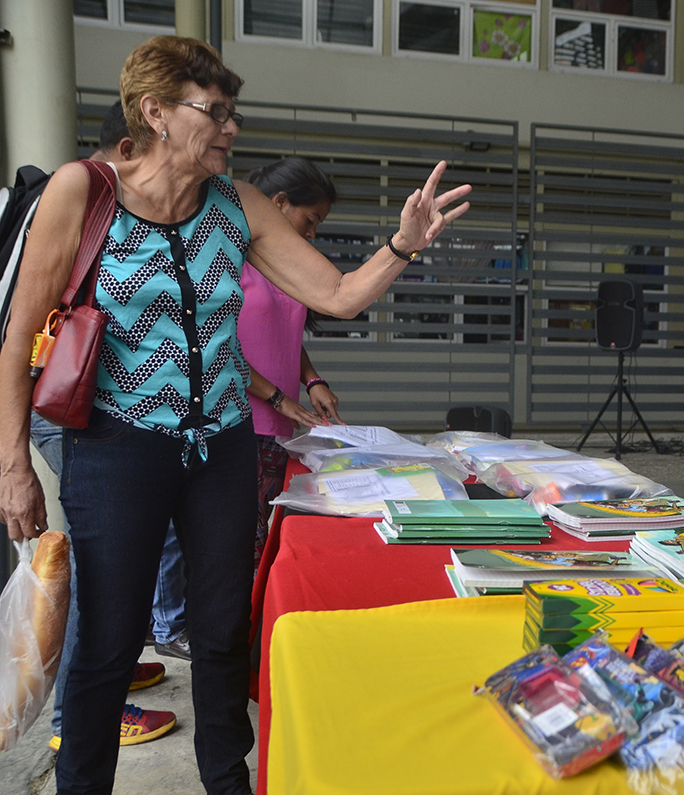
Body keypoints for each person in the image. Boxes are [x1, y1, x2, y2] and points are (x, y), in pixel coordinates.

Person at [0, 36, 469, 795]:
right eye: (214, 112)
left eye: (232, 112)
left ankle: (228, 781)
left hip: (220, 446)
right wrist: (13, 466)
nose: (231, 128)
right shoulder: (83, 192)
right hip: (116, 445)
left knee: (221, 634)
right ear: (155, 112)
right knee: (108, 644)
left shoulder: (237, 204)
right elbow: (19, 335)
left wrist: (401, 247)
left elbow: (339, 294)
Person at [24, 100, 179, 751]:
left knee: (138, 539)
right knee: (101, 555)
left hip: (103, 409)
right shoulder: (86, 208)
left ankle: (112, 665)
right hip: (73, 405)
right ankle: (81, 714)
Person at [240, 156, 343, 569]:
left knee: (267, 545)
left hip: (280, 431)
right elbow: (219, 347)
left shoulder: (287, 270)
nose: (313, 233)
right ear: (279, 203)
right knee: (241, 547)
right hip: (241, 424)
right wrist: (280, 398)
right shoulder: (231, 259)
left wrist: (313, 379)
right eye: (310, 219)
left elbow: (283, 333)